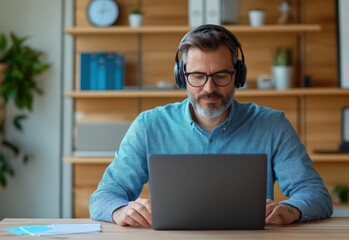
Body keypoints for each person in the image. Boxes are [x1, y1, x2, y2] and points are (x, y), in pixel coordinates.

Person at [89, 24, 333, 228]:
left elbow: (316, 195)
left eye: (220, 76)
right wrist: (120, 211)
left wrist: (290, 210)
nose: (209, 88)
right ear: (181, 76)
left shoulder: (272, 125)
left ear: (238, 76)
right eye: (197, 76)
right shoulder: (148, 125)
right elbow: (103, 197)